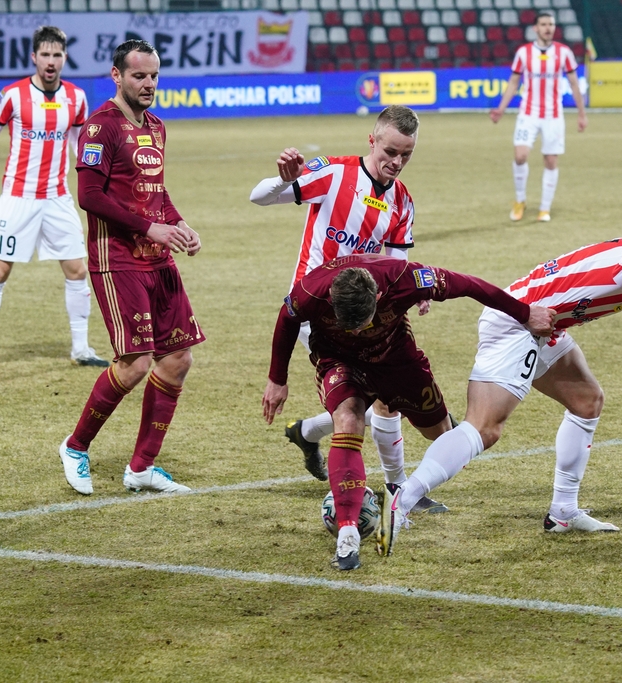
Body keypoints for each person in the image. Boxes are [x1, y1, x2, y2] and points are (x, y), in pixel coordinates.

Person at [378, 238, 622, 556]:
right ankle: (402, 500)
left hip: (544, 325)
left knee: (587, 401)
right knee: (484, 428)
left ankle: (563, 512)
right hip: (519, 321)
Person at [262, 255, 555, 570]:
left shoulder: (407, 278)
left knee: (442, 436)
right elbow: (287, 318)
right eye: (349, 326)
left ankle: (310, 432)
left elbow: (470, 285)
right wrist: (277, 379)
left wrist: (525, 313)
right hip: (339, 360)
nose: (356, 333)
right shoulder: (309, 291)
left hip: (397, 358)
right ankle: (348, 535)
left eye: (362, 325)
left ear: (378, 297)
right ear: (332, 299)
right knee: (348, 418)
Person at [249, 105, 445, 514]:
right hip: (318, 312)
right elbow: (259, 197)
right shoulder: (335, 173)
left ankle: (308, 433)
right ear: (372, 141)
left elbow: (395, 263)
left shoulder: (402, 201)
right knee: (378, 397)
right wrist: (283, 179)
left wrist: (415, 290)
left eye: (406, 155)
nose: (397, 162)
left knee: (375, 396)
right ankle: (397, 489)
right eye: (390, 151)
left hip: (365, 310)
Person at [58, 39, 203, 496]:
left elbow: (156, 190)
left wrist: (178, 223)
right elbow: (89, 196)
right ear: (117, 76)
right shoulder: (100, 127)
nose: (149, 84)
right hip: (117, 260)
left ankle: (142, 468)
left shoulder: (156, 127)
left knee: (177, 358)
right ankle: (75, 447)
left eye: (154, 75)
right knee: (136, 363)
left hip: (158, 258)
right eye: (139, 76)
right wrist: (149, 227)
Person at [0, 25, 108, 372]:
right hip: (18, 197)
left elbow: (78, 141)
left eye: (57, 55)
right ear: (34, 57)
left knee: (77, 269)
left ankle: (81, 348)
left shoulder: (76, 98)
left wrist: (94, 176)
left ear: (64, 57)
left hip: (57, 197)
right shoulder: (12, 95)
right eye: (45, 55)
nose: (51, 61)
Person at [489, 11, 587, 223]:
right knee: (520, 155)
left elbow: (574, 84)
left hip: (553, 115)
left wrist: (582, 114)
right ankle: (520, 200)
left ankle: (544, 207)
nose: (548, 28)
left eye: (551, 24)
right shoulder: (524, 53)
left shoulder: (564, 52)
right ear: (535, 28)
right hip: (528, 113)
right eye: (543, 24)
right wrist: (501, 109)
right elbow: (513, 83)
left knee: (551, 160)